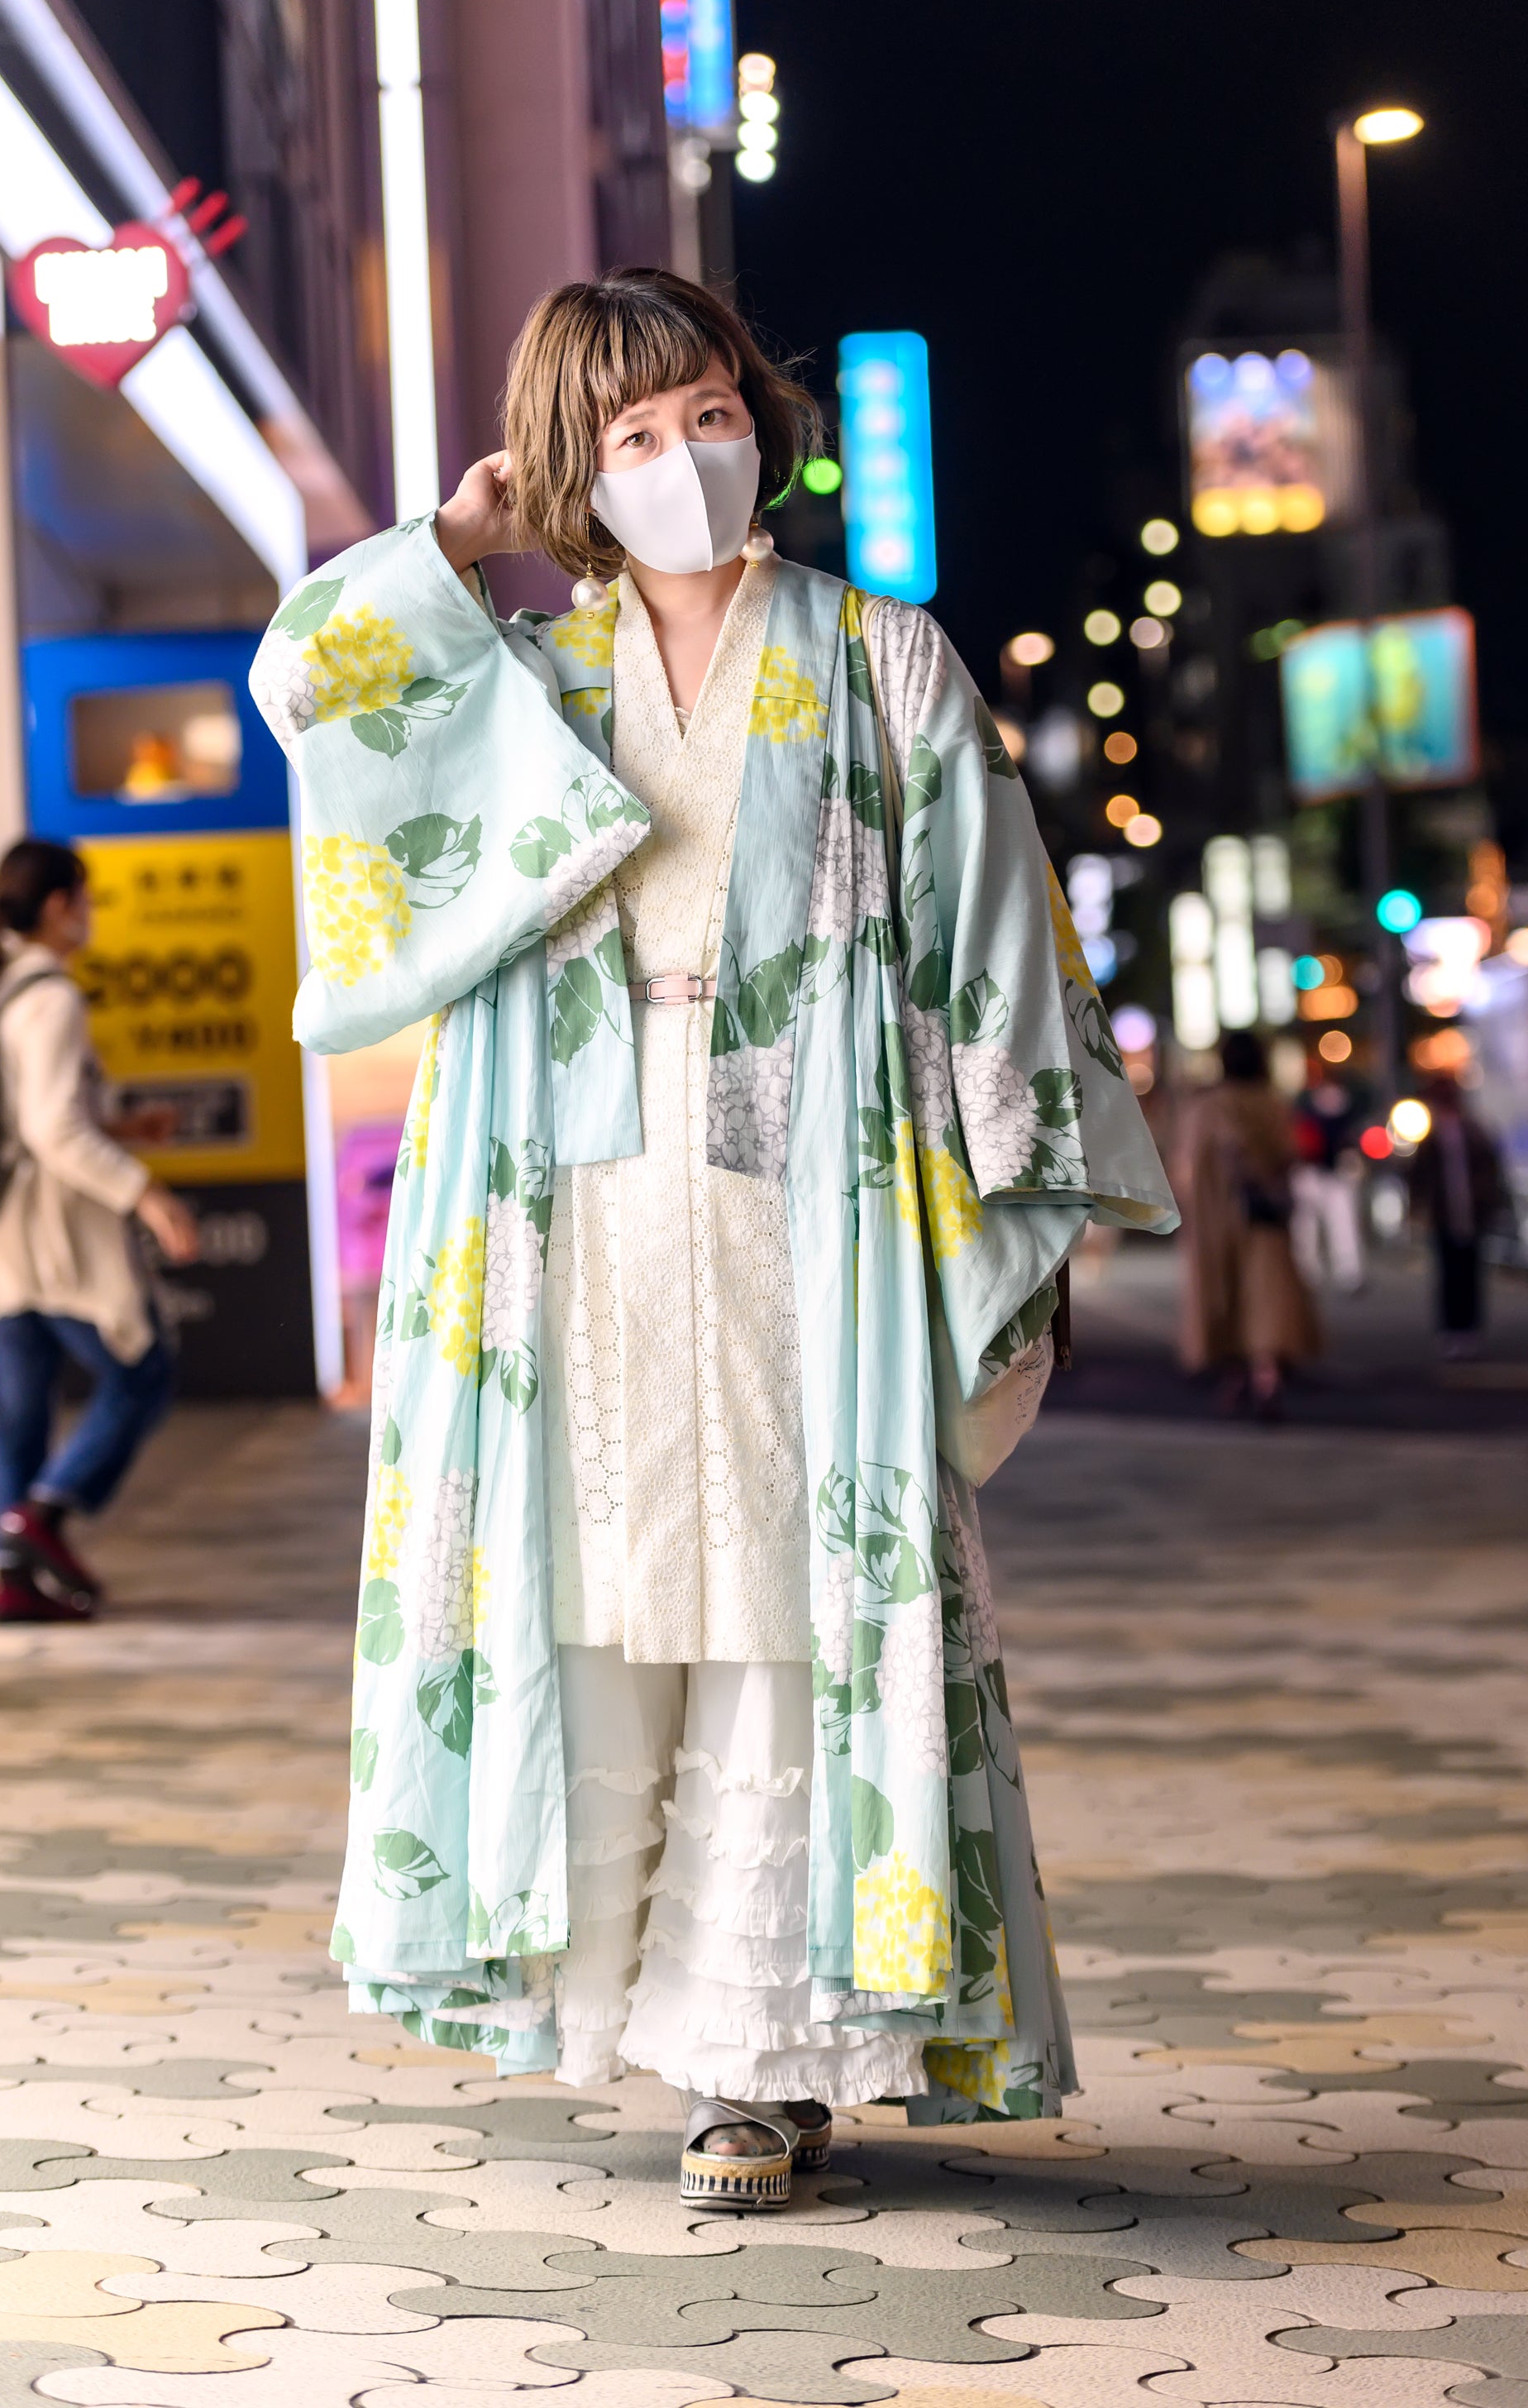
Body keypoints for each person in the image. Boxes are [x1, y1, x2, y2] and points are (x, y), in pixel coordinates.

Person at [252, 269, 1177, 2200]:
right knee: (587, 1575)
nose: (685, 456)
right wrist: (457, 535)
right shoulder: (532, 669)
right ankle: (600, 1992)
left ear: (760, 411)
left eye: (705, 409)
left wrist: (1011, 1197)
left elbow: (989, 940)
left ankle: (759, 2055)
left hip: (803, 1204)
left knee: (779, 1599)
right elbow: (314, 678)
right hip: (569, 1201)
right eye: (632, 432)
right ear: (573, 466)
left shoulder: (876, 662)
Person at [0, 839, 198, 1621]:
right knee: (141, 1366)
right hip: (48, 1237)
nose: (89, 914)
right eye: (85, 899)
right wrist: (148, 1195)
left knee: (17, 1411)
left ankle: (10, 1579)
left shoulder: (0, 995)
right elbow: (53, 1130)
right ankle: (44, 1515)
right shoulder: (51, 998)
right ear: (60, 905)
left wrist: (123, 1125)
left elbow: (36, 1121)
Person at [1176, 1028, 1320, 1418]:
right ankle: (1266, 1373)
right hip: (1263, 1217)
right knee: (1267, 1298)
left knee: (1225, 1295)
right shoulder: (1271, 1104)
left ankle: (1237, 1371)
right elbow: (1290, 1153)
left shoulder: (1204, 1108)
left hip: (1214, 1225)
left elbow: (1185, 1168)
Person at [1408, 1076, 1506, 1359]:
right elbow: (1419, 1174)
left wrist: (1489, 1200)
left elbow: (1491, 1167)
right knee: (1449, 1271)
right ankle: (1451, 1328)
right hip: (1445, 1211)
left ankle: (1470, 1327)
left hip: (1472, 1211)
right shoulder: (1434, 1134)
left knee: (1470, 1271)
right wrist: (1419, 1206)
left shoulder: (1473, 1129)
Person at [1290, 1075, 1365, 1293]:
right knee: (1306, 1228)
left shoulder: (1346, 1116)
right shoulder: (1307, 1114)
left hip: (1336, 1177)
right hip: (1309, 1174)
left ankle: (1349, 1272)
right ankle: (1308, 1272)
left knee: (1343, 1225)